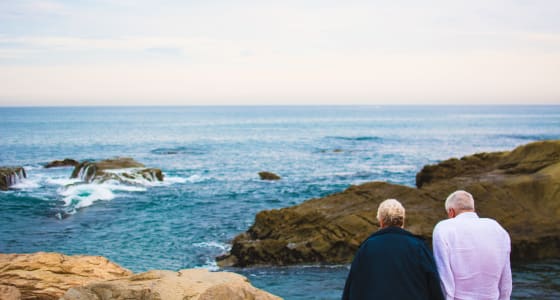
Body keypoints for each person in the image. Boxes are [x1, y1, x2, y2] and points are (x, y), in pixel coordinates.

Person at [342, 199, 444, 300]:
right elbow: (433, 283)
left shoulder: (367, 247)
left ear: (381, 222)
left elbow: (353, 285)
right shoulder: (419, 246)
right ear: (402, 221)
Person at [432, 190, 512, 300]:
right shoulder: (497, 228)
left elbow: (444, 276)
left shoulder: (444, 228)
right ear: (473, 209)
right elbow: (506, 278)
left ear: (451, 212)